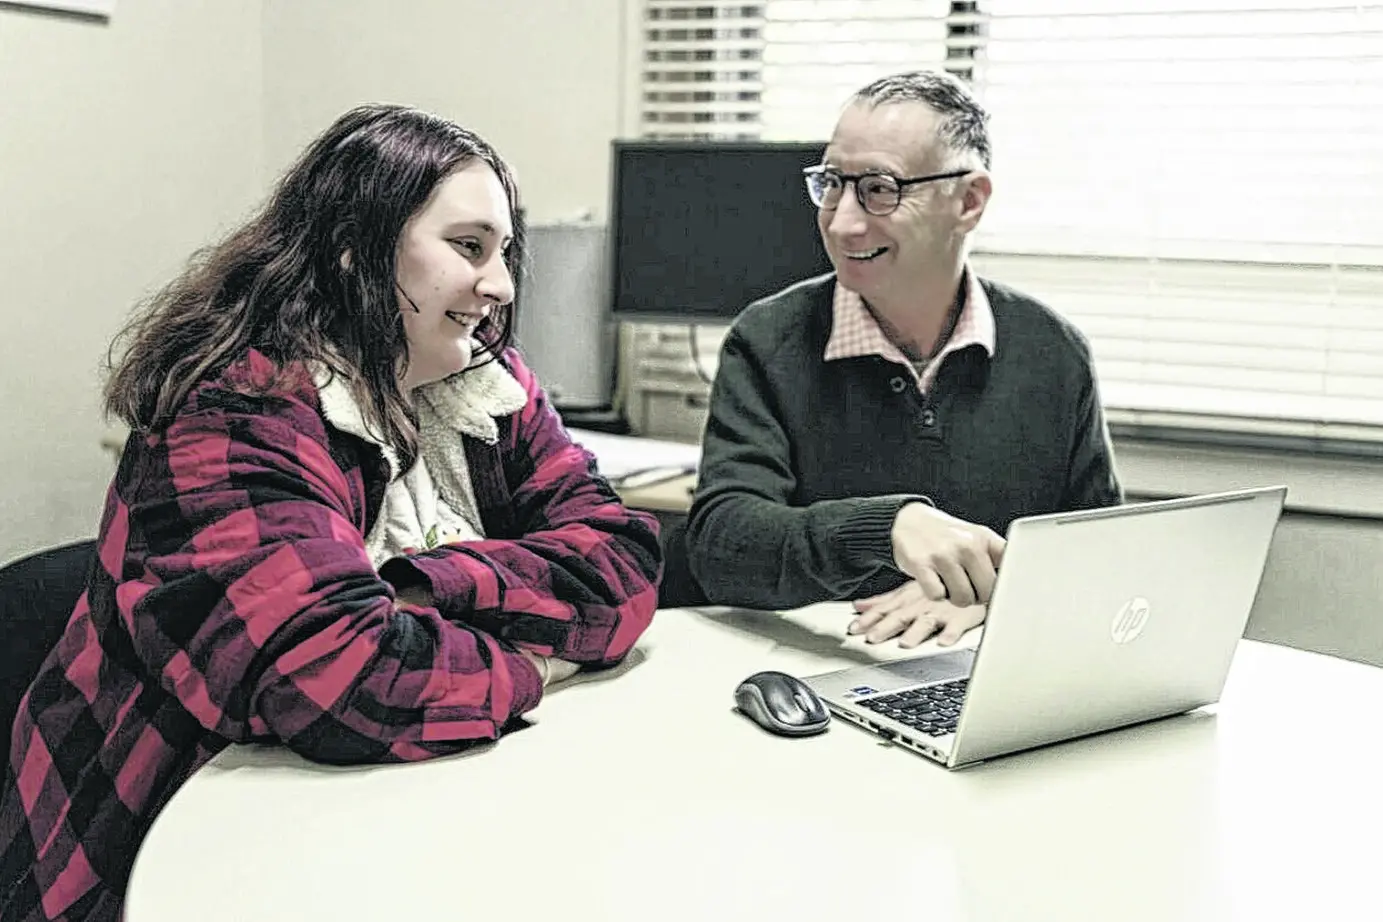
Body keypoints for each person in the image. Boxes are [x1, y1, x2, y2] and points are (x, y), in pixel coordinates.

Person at [0, 103, 662, 922]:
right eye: (468, 248)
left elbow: (627, 562)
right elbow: (340, 680)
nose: (502, 285)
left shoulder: (488, 383)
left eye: (504, 251)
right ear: (355, 250)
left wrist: (418, 588)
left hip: (373, 809)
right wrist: (537, 663)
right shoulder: (235, 410)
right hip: (157, 849)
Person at [685, 69, 1122, 648]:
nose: (842, 221)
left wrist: (994, 589)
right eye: (832, 183)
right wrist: (884, 528)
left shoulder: (1054, 352)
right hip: (817, 666)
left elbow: (1102, 554)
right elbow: (722, 545)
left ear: (969, 200)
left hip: (983, 671)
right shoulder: (768, 339)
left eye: (879, 189)